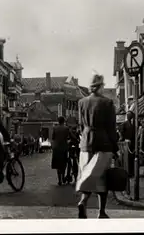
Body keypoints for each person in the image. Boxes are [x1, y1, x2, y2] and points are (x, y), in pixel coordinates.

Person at [76, 74, 118, 219]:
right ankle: (101, 211)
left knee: (87, 175)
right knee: (102, 178)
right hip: (103, 143)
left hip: (86, 143)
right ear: (100, 86)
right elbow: (111, 128)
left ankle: (83, 201)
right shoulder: (107, 103)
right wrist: (115, 147)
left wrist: (85, 137)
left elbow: (81, 124)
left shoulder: (81, 102)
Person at [51, 116, 70, 185]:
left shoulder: (55, 128)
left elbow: (53, 138)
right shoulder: (66, 128)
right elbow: (69, 137)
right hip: (64, 148)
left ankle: (59, 180)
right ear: (64, 121)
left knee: (57, 165)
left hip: (56, 148)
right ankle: (63, 177)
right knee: (64, 163)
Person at [121, 111, 136, 178]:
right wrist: (124, 139)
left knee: (132, 158)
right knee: (127, 158)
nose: (128, 116)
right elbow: (122, 133)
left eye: (129, 115)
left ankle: (132, 172)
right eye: (127, 115)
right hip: (127, 142)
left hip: (133, 142)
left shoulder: (134, 124)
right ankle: (128, 172)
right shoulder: (124, 124)